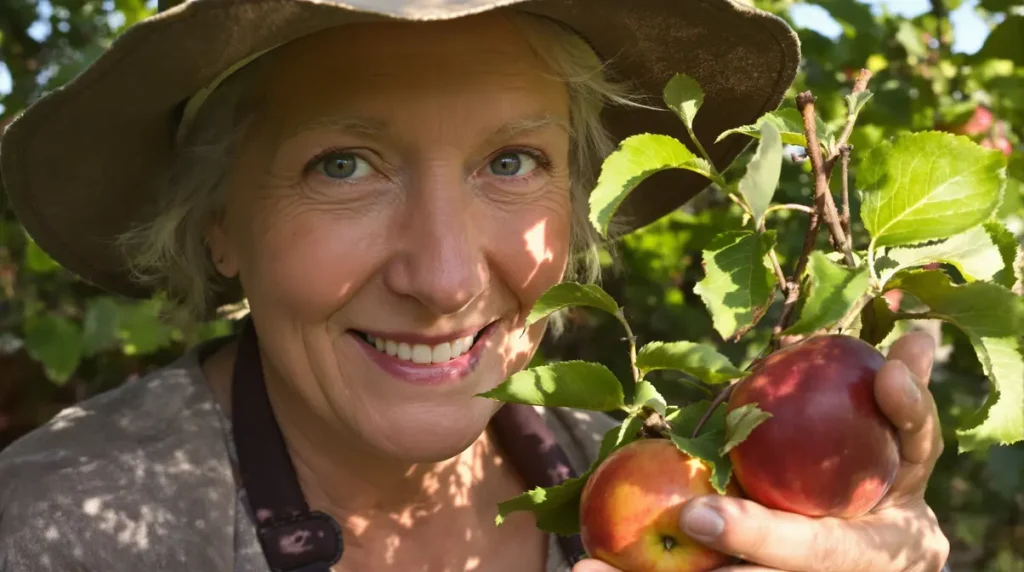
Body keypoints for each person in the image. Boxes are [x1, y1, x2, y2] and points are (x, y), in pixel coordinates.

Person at [0, 1, 950, 570]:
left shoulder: (663, 483)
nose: (446, 279)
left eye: (512, 161)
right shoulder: (53, 534)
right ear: (218, 226)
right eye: (343, 166)